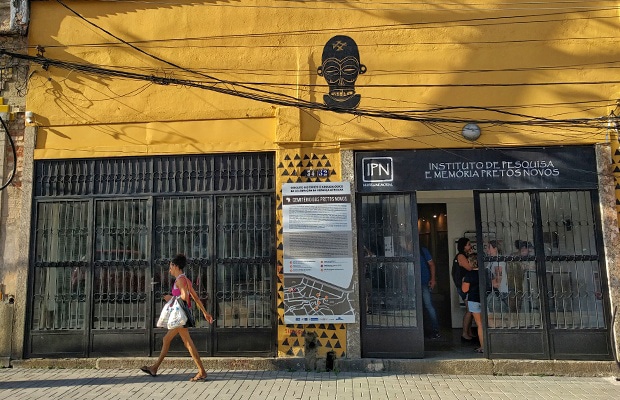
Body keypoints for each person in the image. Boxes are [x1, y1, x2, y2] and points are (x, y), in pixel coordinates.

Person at [140, 254, 213, 381]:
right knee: (168, 339)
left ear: (175, 266)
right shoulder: (185, 279)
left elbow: (185, 297)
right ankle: (155, 367)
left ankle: (202, 371)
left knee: (187, 343)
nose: (169, 270)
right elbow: (195, 297)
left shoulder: (180, 280)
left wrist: (172, 298)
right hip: (181, 317)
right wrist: (205, 313)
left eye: (170, 267)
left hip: (180, 317)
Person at [452, 237, 476, 344]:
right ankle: (465, 333)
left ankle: (469, 332)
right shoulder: (461, 256)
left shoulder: (463, 256)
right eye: (468, 244)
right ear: (463, 246)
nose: (470, 246)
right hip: (464, 286)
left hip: (466, 286)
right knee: (469, 310)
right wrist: (472, 255)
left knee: (470, 310)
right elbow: (470, 267)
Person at [462, 260, 484, 354]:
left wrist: (463, 281)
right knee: (488, 323)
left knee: (480, 324)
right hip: (485, 299)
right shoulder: (485, 272)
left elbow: (464, 289)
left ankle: (483, 346)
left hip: (474, 300)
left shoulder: (469, 275)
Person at [420, 245, 441, 339]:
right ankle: (429, 330)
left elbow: (432, 264)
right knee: (428, 306)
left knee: (428, 306)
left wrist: (433, 279)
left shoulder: (422, 250)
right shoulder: (421, 250)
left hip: (423, 281)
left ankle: (435, 330)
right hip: (414, 282)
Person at [486, 240, 508, 310]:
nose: (487, 249)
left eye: (489, 247)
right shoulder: (492, 260)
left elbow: (498, 281)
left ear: (495, 249)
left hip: (498, 293)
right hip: (495, 291)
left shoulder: (498, 261)